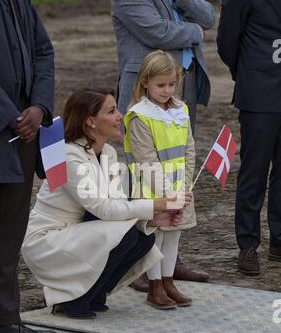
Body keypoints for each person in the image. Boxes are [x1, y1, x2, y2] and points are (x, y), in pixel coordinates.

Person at [21, 88, 184, 318]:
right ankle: (73, 300)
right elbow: (103, 209)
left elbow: (115, 204)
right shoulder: (68, 155)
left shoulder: (107, 151)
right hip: (48, 238)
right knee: (126, 235)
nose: (120, 116)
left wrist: (151, 217)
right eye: (112, 111)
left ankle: (94, 294)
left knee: (143, 238)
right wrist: (155, 205)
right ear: (90, 121)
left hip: (77, 231)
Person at [112, 0, 214, 285]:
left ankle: (169, 263)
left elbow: (208, 16)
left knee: (176, 168)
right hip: (146, 90)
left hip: (182, 83)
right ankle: (140, 263)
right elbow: (156, 31)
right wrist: (195, 32)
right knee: (145, 176)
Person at [0, 0, 58, 333]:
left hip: (23, 131)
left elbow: (43, 50)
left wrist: (39, 108)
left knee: (8, 233)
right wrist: (8, 115)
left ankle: (2, 321)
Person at [217, 0, 281, 275]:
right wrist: (250, 74)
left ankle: (279, 241)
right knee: (254, 171)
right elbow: (228, 42)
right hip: (259, 95)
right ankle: (247, 245)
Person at [124, 50, 195, 309]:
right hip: (154, 191)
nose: (167, 90)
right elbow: (147, 161)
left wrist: (184, 187)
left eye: (172, 84)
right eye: (160, 85)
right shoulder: (139, 116)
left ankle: (168, 282)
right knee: (156, 236)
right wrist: (169, 196)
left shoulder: (181, 110)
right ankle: (154, 287)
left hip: (180, 188)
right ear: (145, 82)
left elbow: (189, 150)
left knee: (173, 235)